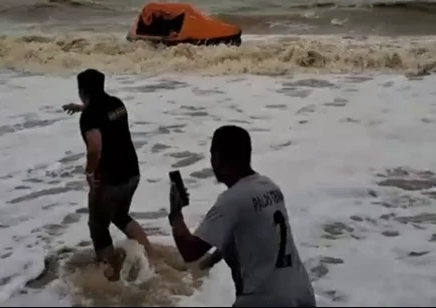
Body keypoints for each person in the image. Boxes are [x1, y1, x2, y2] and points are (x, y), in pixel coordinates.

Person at [167, 125, 316, 307]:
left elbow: (189, 251)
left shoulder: (231, 200)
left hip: (264, 300)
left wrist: (176, 214)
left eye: (212, 155)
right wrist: (207, 264)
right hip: (302, 295)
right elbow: (251, 236)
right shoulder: (269, 187)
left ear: (219, 157)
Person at [62, 68, 153, 281]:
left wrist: (89, 172)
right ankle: (152, 256)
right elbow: (103, 115)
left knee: (98, 224)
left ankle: (110, 273)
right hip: (132, 173)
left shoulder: (89, 117)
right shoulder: (117, 104)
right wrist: (81, 108)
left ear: (82, 90)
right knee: (120, 215)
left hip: (110, 180)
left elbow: (95, 147)